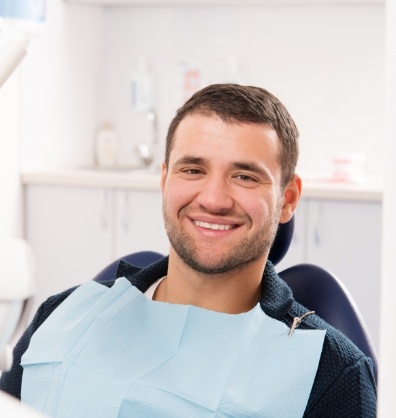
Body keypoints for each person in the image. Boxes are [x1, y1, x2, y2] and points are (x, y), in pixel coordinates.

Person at [0, 84, 376, 417]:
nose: (213, 199)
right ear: (164, 180)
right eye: (193, 170)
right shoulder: (63, 314)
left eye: (244, 176)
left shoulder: (332, 374)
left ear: (287, 198)